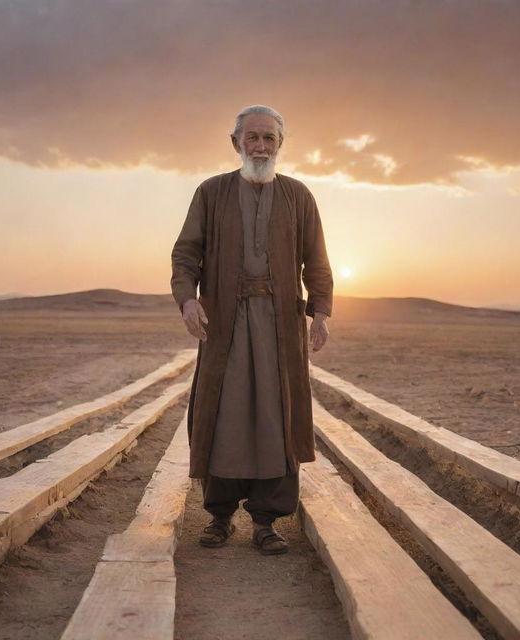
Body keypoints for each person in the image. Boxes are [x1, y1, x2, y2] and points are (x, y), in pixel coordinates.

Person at [170, 104, 333, 555]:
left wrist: (320, 312)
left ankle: (267, 521)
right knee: (224, 414)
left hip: (281, 326)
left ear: (281, 144)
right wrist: (187, 300)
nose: (260, 146)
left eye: (269, 139)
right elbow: (186, 255)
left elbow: (316, 260)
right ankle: (220, 516)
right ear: (235, 142)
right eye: (252, 138)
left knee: (276, 417)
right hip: (225, 323)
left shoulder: (298, 196)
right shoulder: (211, 193)